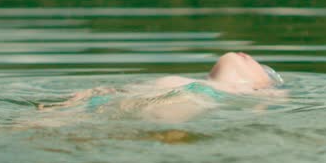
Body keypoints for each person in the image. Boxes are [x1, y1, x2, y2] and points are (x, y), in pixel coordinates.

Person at [38, 52, 283, 124]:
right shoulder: (195, 84)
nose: (249, 56)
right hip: (115, 104)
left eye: (261, 65)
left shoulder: (242, 93)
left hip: (172, 106)